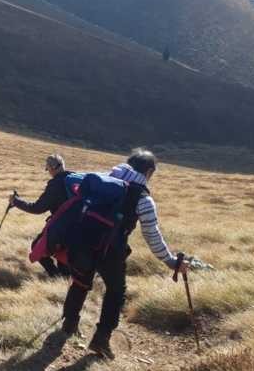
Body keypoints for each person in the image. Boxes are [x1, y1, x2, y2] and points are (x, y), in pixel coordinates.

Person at [62, 149, 189, 359]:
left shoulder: (105, 180)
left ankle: (69, 324)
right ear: (149, 172)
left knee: (80, 280)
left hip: (83, 240)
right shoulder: (143, 198)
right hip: (112, 249)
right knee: (115, 290)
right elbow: (152, 234)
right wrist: (170, 260)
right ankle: (101, 339)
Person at [12, 154, 73, 277]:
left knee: (37, 247)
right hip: (80, 225)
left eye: (48, 169)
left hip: (62, 227)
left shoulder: (56, 185)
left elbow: (37, 208)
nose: (48, 172)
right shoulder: (73, 178)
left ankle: (55, 277)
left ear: (52, 167)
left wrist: (16, 201)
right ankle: (64, 279)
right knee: (64, 259)